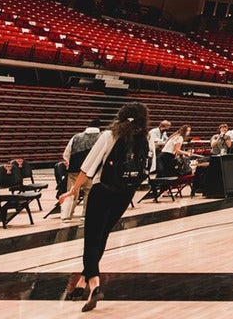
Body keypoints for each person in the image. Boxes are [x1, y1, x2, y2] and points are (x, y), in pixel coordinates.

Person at [58, 101, 150, 312]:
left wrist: (73, 190)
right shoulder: (144, 139)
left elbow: (88, 167)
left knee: (91, 239)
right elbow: (148, 168)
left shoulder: (109, 136)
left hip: (103, 190)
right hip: (125, 194)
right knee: (102, 235)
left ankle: (95, 285)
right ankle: (82, 282)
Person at [61, 118, 103, 223]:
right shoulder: (101, 137)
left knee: (72, 192)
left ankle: (66, 216)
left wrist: (70, 163)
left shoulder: (76, 137)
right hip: (91, 171)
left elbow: (66, 154)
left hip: (74, 169)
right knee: (89, 192)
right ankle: (85, 215)